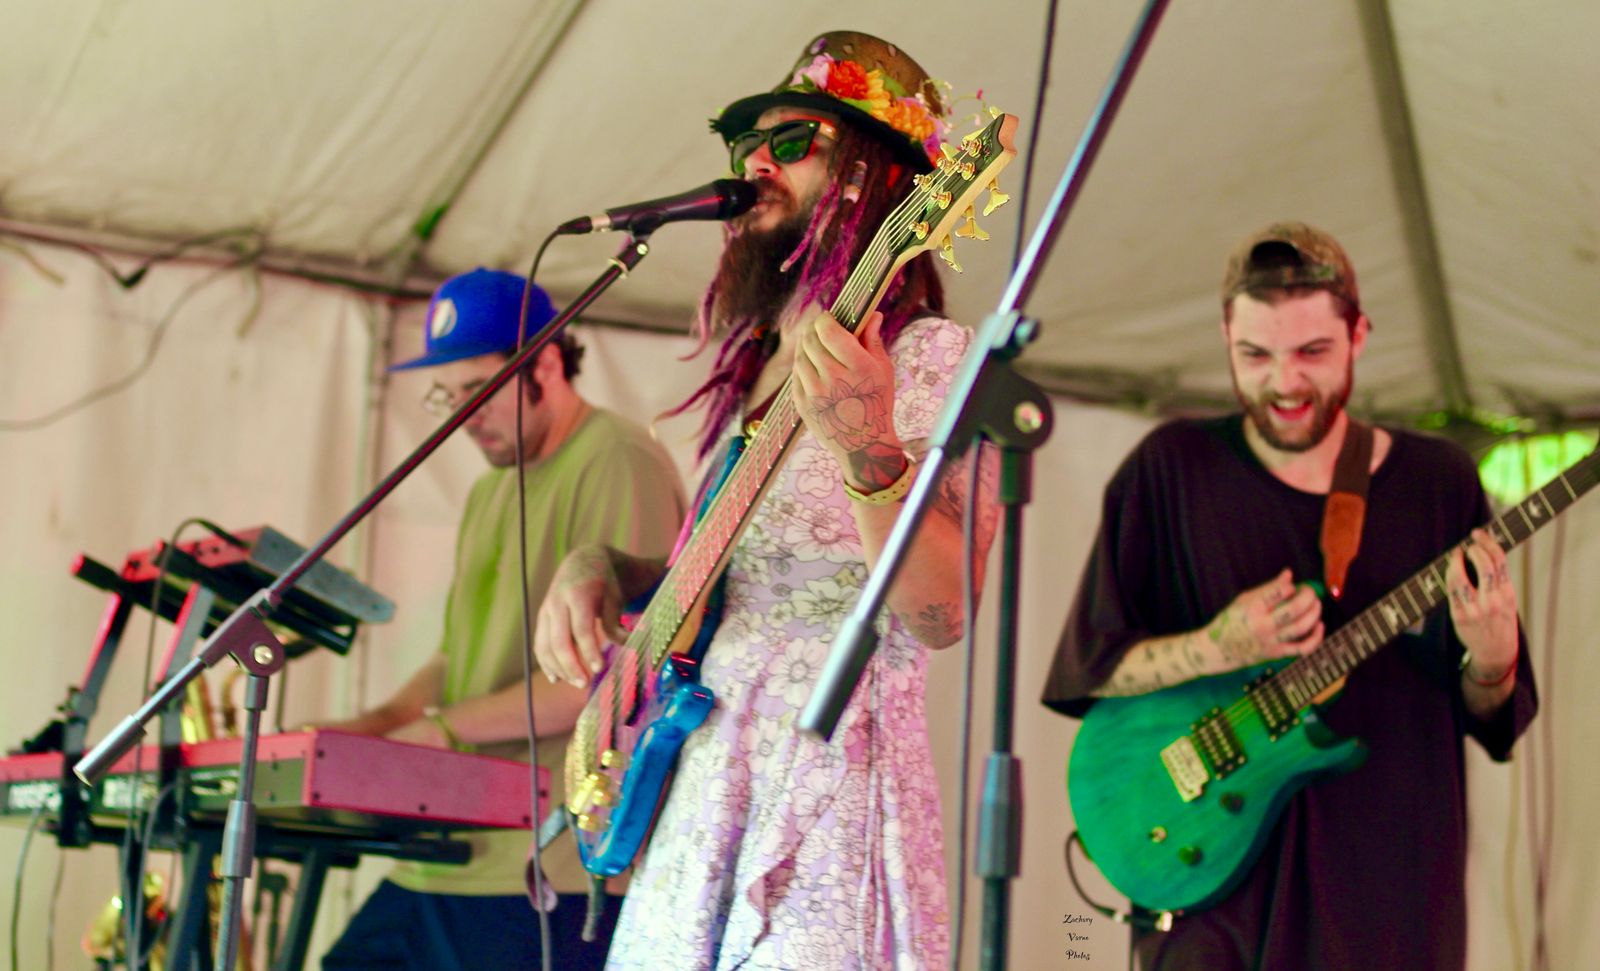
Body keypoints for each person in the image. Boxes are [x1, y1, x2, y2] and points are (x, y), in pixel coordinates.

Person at [533, 31, 999, 971]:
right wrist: (602, 565)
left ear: (874, 175)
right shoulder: (755, 368)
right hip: (704, 786)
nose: (754, 163)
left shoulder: (930, 359)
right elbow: (729, 582)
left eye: (792, 143)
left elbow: (946, 612)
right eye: (746, 143)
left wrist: (868, 447)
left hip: (827, 789)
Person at [1041, 223, 1540, 970]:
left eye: (1312, 352)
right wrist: (1215, 646)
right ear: (1225, 336)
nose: (1285, 383)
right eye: (1256, 355)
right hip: (1213, 899)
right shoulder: (1168, 469)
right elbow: (1094, 669)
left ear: (1359, 335)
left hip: (1389, 905)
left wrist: (1494, 661)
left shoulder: (1438, 483)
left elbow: (1492, 714)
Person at [317, 268, 687, 971]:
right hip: (457, 842)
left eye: (478, 391)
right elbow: (455, 660)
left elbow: (604, 677)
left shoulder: (616, 458)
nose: (463, 416)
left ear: (545, 364)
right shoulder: (490, 492)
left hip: (552, 857)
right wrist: (374, 727)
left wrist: (442, 731)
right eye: (448, 396)